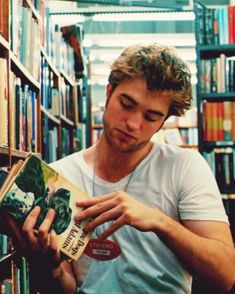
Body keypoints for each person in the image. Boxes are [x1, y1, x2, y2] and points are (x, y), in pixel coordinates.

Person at [6, 44, 235, 294]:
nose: (133, 124)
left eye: (151, 117)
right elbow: (67, 287)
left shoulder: (184, 167)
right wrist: (50, 269)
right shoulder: (59, 176)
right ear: (109, 92)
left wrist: (159, 221)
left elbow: (225, 276)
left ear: (163, 122)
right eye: (126, 104)